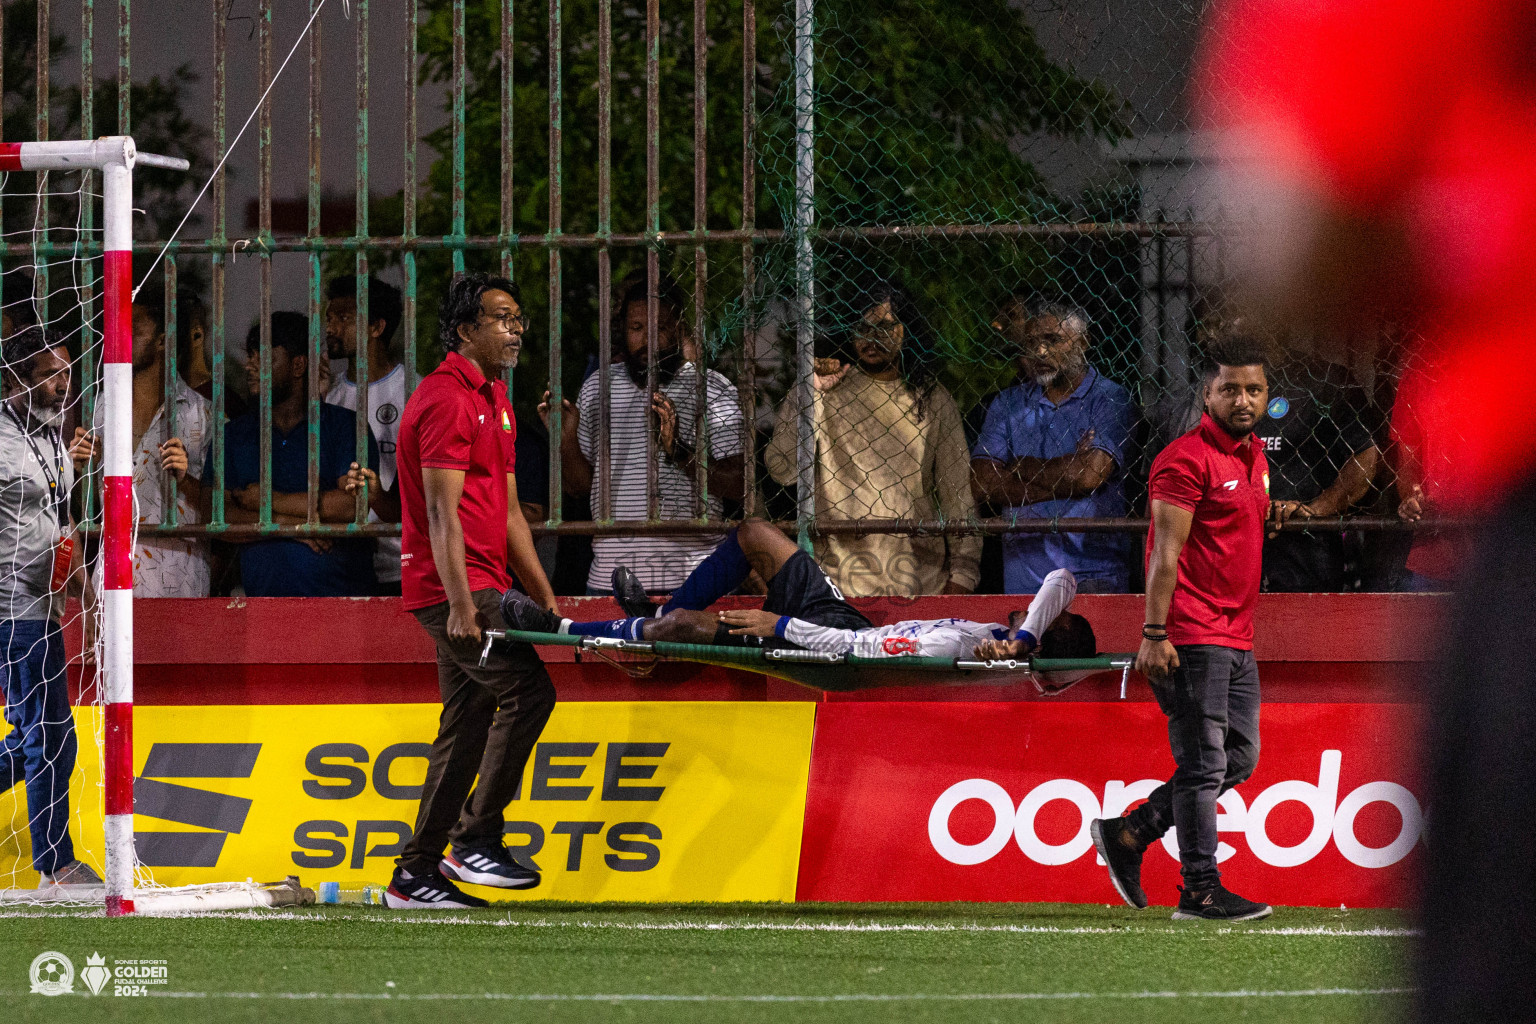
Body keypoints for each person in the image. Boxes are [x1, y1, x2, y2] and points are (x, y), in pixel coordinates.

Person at [385, 273, 558, 910]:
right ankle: (477, 836)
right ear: (465, 331)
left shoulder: (497, 397)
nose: (516, 330)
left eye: (519, 319)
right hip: (450, 588)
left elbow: (510, 510)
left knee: (465, 723)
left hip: (484, 583)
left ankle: (415, 874)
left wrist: (543, 592)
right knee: (530, 690)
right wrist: (461, 603)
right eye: (502, 318)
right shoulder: (447, 400)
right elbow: (439, 514)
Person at [1090, 335, 1274, 922]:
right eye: (1230, 389)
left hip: (1236, 634)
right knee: (1203, 765)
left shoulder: (1255, 457)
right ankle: (1199, 890)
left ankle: (1132, 832)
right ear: (1207, 392)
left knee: (1239, 757)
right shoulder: (1183, 459)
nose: (1243, 400)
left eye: (1254, 389)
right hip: (1190, 633)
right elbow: (1163, 552)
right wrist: (1153, 633)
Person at [502, 518, 1093, 664]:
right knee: (756, 534)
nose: (1017, 607)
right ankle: (656, 610)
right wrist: (1023, 635)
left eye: (1038, 620)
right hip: (843, 616)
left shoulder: (964, 653)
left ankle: (562, 632)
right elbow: (1061, 579)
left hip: (830, 649)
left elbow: (855, 653)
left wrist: (780, 627)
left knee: (678, 632)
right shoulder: (1003, 634)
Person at [766, 278, 980, 597]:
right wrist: (809, 394)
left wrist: (962, 577)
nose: (871, 338)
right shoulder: (826, 387)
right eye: (861, 327)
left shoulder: (933, 398)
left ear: (907, 330)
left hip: (919, 582)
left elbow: (957, 494)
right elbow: (782, 471)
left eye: (884, 326)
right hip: (836, 583)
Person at [547, 272, 744, 594]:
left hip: (694, 579)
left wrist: (679, 451)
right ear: (623, 333)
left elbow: (739, 485)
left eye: (660, 328)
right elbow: (579, 488)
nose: (648, 340)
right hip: (611, 580)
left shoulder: (712, 388)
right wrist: (567, 438)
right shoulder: (598, 387)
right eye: (637, 329)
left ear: (679, 329)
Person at [0, 326, 99, 886]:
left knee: (37, 739)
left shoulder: (51, 438)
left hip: (45, 609)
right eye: (49, 376)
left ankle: (54, 862)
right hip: (10, 612)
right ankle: (55, 865)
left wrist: (86, 592)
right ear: (17, 379)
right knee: (48, 737)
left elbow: (60, 526)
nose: (63, 386)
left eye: (66, 373)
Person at [971, 298, 1135, 593]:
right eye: (1031, 342)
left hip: (1094, 576)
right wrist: (1068, 472)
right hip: (1024, 582)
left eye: (1053, 340)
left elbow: (1089, 475)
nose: (1040, 352)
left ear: (1084, 342)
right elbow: (983, 484)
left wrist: (1023, 467)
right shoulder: (1007, 403)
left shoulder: (1110, 398)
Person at [209, 313, 378, 596]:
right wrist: (290, 525)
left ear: (298, 365)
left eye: (261, 356)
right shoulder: (234, 435)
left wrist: (265, 499)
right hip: (261, 610)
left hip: (344, 605)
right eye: (250, 356)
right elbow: (217, 514)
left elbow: (351, 505)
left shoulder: (345, 426)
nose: (249, 366)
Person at [97, 299, 213, 597]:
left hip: (179, 582)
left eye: (133, 330)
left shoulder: (203, 414)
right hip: (111, 582)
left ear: (162, 341)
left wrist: (186, 480)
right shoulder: (101, 408)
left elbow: (225, 509)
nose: (119, 339)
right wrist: (76, 465)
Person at [324, 275, 406, 596]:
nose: (330, 328)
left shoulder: (415, 392)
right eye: (329, 318)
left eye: (343, 318)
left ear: (376, 327)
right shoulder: (329, 399)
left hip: (404, 561)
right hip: (347, 558)